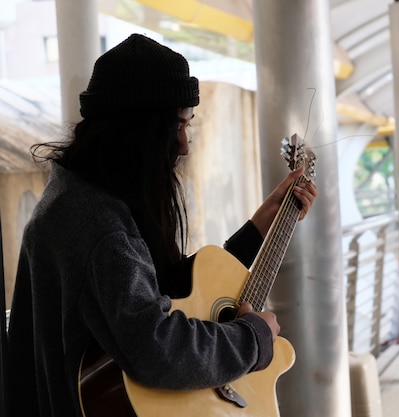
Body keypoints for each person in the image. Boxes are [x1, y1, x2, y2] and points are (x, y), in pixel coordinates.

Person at [6, 33, 317, 417]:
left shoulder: (81, 199)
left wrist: (259, 227)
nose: (185, 145)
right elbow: (155, 346)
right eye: (178, 127)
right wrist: (252, 339)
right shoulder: (97, 226)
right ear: (139, 133)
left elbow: (162, 290)